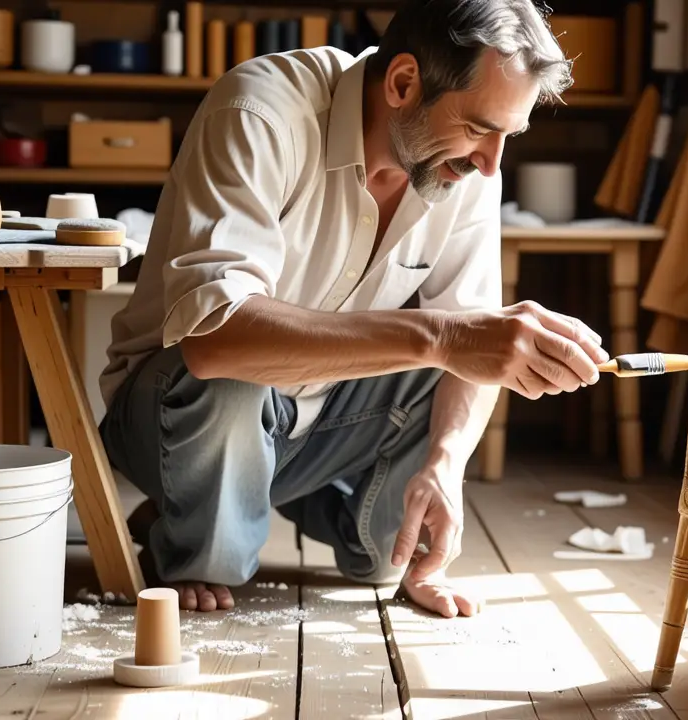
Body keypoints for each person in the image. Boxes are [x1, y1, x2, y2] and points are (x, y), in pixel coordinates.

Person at [97, 0, 609, 617]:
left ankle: (237, 502)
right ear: (402, 83)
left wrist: (445, 464)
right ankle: (199, 534)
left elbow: (469, 340)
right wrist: (442, 338)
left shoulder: (469, 167)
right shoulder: (260, 110)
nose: (491, 163)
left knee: (384, 559)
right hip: (172, 412)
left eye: (509, 135)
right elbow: (214, 338)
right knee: (239, 377)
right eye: (478, 128)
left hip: (314, 426)